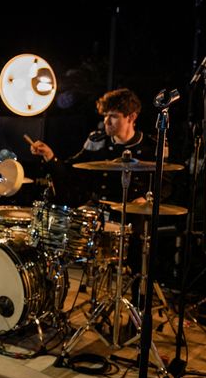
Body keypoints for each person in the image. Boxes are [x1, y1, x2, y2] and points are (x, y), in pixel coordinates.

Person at [28, 88, 162, 311]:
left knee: (140, 258)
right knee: (60, 240)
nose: (107, 121)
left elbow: (165, 182)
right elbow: (73, 170)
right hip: (100, 212)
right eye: (105, 116)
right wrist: (51, 157)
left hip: (133, 217)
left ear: (131, 117)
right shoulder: (96, 140)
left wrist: (147, 199)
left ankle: (138, 312)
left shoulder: (150, 145)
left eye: (113, 116)